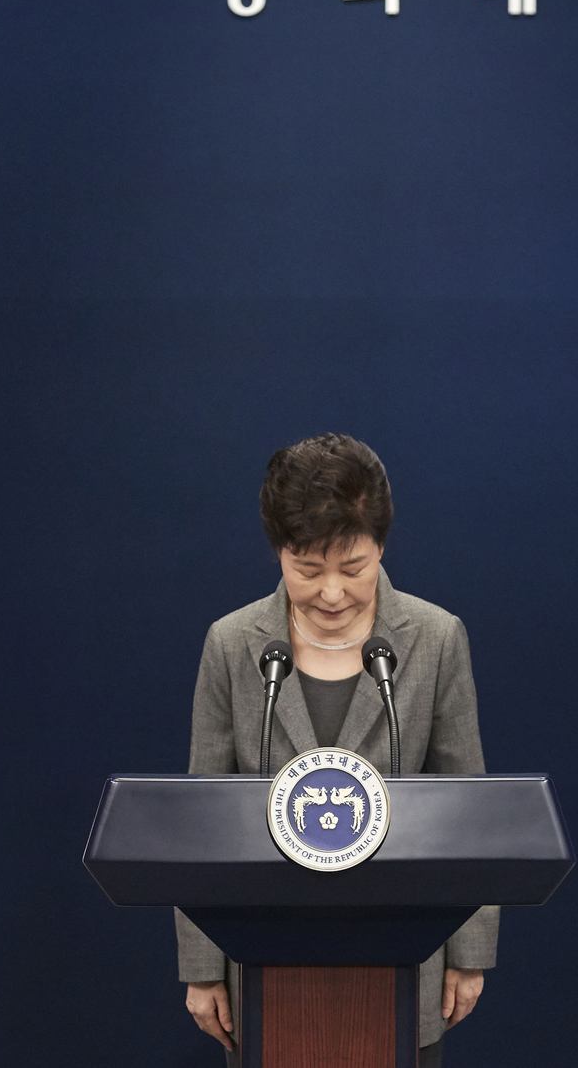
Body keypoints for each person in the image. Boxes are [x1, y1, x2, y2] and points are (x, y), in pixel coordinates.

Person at [177, 433, 496, 1066]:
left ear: (381, 547)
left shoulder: (435, 639)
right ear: (278, 552)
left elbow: (470, 807)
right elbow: (201, 819)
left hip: (404, 956)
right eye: (306, 570)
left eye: (352, 568)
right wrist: (202, 967)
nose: (330, 593)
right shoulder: (234, 644)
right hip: (264, 960)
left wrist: (470, 952)